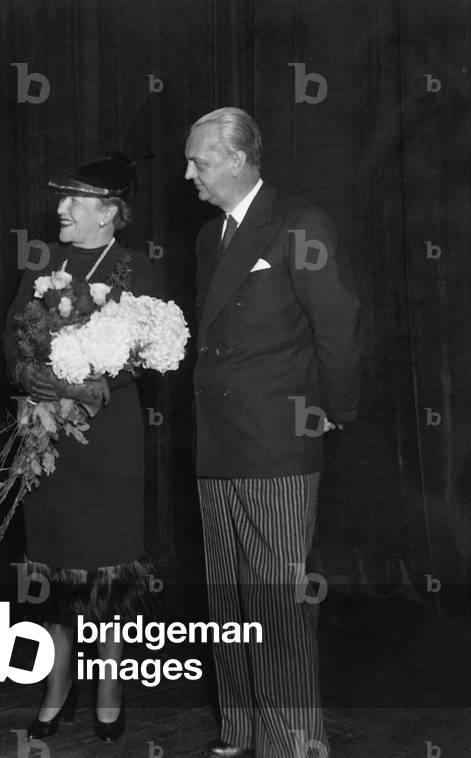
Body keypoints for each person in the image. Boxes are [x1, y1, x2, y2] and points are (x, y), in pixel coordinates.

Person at [184, 107, 361, 758]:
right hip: (215, 442)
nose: (187, 174)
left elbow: (337, 331)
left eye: (197, 161)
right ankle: (239, 733)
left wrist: (332, 414)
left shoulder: (300, 223)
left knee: (279, 611)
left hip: (276, 443)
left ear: (235, 158)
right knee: (227, 601)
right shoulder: (210, 237)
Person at [2, 152, 162, 743]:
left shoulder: (135, 268)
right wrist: (27, 374)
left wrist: (83, 383)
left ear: (109, 213)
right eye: (62, 197)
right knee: (57, 563)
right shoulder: (42, 261)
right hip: (48, 440)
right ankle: (58, 684)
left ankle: (111, 688)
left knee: (112, 568)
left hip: (108, 440)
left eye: (74, 200)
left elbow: (147, 350)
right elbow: (12, 333)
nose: (61, 209)